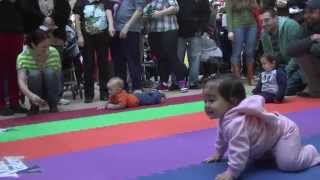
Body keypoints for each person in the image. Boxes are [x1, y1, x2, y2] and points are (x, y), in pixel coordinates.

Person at [202, 77, 320, 180]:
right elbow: (222, 136)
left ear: (233, 101)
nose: (206, 105)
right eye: (205, 101)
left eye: (211, 100)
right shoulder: (225, 118)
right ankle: (272, 151)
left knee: (288, 164)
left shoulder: (237, 123)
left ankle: (311, 153)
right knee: (257, 158)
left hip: (284, 132)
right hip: (269, 138)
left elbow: (239, 150)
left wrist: (232, 172)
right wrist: (218, 153)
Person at [74, 0, 115, 103]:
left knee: (104, 64)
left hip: (103, 36)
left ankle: (104, 93)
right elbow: (77, 20)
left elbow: (109, 12)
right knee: (88, 65)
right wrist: (79, 36)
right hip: (87, 38)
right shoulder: (80, 2)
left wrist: (111, 26)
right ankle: (88, 94)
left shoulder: (105, 1)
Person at [144, 0, 188, 93]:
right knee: (160, 58)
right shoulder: (149, 3)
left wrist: (159, 13)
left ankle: (181, 82)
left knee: (172, 56)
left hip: (168, 30)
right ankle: (163, 83)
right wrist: (146, 16)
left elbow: (175, 8)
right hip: (153, 31)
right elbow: (144, 16)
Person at [260, 8, 305, 95]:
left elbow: (298, 54)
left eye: (266, 20)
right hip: (281, 67)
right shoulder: (264, 33)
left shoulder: (291, 26)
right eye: (261, 21)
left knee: (282, 90)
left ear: (276, 18)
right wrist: (270, 74)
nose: (263, 24)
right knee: (266, 88)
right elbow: (269, 57)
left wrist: (285, 72)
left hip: (299, 66)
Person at [17, 29, 62, 115]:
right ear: (33, 45)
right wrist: (31, 96)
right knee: (34, 74)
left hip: (51, 89)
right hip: (34, 90)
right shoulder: (23, 57)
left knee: (50, 72)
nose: (47, 49)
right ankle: (34, 106)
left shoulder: (53, 52)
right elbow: (21, 81)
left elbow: (58, 78)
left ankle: (53, 105)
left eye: (48, 46)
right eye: (44, 47)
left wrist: (55, 97)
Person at [0, 0, 28, 116]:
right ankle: (1, 104)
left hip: (17, 30)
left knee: (15, 68)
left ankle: (14, 102)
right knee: (1, 70)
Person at [287, 0, 320, 98]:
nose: (307, 15)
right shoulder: (306, 26)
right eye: (305, 12)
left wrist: (310, 46)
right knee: (300, 52)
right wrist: (312, 38)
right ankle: (315, 88)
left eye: (312, 12)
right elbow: (290, 49)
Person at [111, 0, 145, 92]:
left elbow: (139, 10)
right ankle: (122, 89)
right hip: (115, 31)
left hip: (131, 30)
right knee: (118, 63)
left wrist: (127, 26)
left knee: (133, 61)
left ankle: (137, 87)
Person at [176, 0, 210, 89]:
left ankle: (191, 81)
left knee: (193, 57)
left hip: (194, 30)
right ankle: (180, 81)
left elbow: (206, 13)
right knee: (180, 58)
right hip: (180, 31)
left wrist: (201, 29)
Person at [225, 0, 259, 85]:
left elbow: (257, 8)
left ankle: (250, 78)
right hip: (237, 25)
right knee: (237, 51)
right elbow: (228, 14)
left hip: (252, 25)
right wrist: (230, 30)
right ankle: (238, 79)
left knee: (250, 52)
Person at [100, 77, 165, 110]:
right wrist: (105, 106)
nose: (109, 91)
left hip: (139, 100)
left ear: (119, 89)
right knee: (146, 95)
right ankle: (152, 92)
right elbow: (109, 101)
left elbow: (122, 105)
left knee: (151, 100)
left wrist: (113, 106)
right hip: (134, 96)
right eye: (108, 89)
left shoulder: (121, 95)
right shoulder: (112, 94)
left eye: (111, 90)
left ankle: (158, 94)